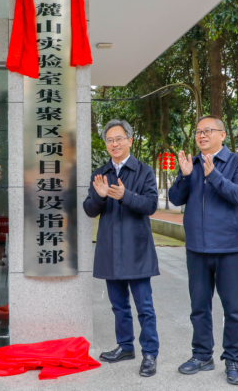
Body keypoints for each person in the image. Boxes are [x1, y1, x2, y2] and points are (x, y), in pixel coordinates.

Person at [168, 115, 238, 386]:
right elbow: (175, 199)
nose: (201, 135)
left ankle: (233, 360)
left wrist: (212, 173)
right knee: (199, 307)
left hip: (229, 248)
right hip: (197, 249)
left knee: (233, 309)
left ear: (222, 135)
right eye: (198, 132)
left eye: (207, 131)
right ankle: (202, 355)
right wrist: (184, 175)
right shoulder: (191, 163)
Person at [83, 120, 159, 378]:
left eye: (118, 139)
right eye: (109, 140)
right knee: (119, 306)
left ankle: (150, 353)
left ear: (129, 140)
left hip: (136, 249)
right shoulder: (101, 172)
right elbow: (89, 209)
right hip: (110, 249)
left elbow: (150, 205)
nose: (114, 144)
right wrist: (101, 195)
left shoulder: (144, 171)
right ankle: (126, 346)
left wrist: (124, 196)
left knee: (144, 307)